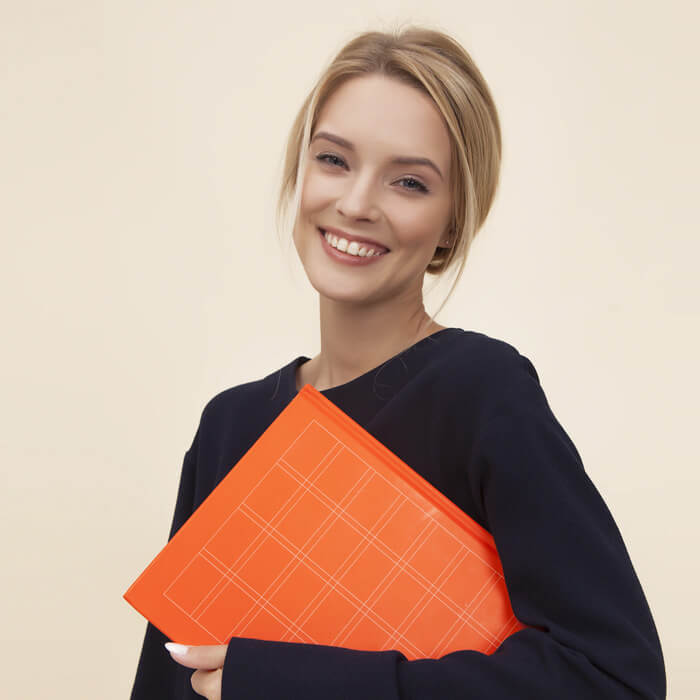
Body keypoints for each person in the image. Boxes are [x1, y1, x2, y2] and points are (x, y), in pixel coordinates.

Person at [129, 26, 666, 700]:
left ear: (452, 222)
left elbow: (614, 680)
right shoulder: (230, 427)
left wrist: (285, 681)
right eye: (333, 160)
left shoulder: (480, 393)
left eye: (409, 182)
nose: (356, 204)